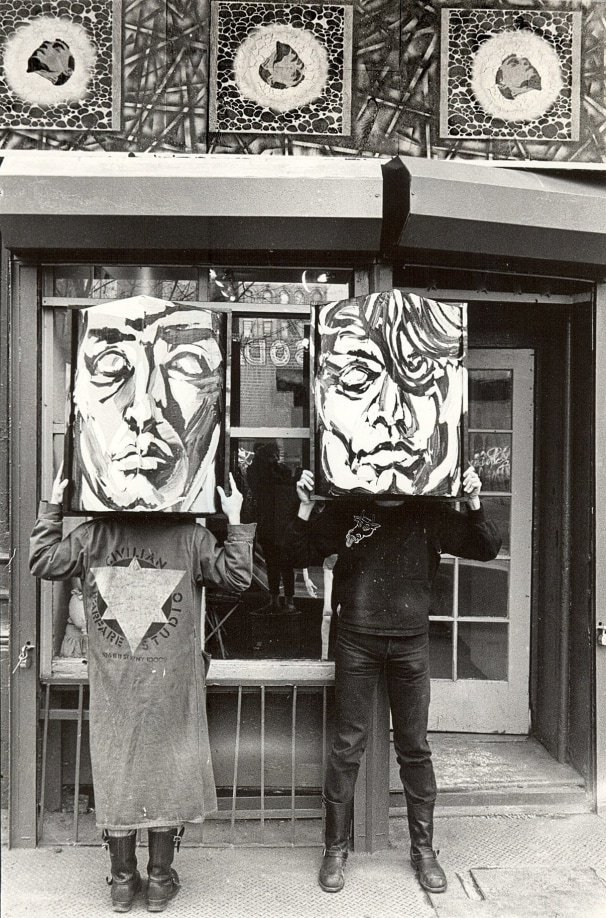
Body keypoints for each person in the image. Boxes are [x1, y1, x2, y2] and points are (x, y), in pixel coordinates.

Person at [30, 466, 255, 913]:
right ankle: (158, 880)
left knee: (119, 772)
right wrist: (235, 521)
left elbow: (41, 561)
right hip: (170, 684)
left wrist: (53, 506)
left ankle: (121, 881)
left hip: (114, 685)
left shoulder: (95, 534)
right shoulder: (189, 536)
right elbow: (238, 577)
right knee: (167, 771)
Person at [285, 465, 501, 895]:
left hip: (411, 643)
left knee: (415, 747)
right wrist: (307, 507)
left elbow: (487, 547)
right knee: (348, 745)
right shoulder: (349, 506)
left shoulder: (429, 509)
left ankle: (424, 851)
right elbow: (294, 553)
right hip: (356, 639)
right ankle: (334, 849)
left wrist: (474, 502)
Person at [71, 295, 224, 514]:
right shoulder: (197, 544)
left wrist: (50, 513)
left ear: (215, 403)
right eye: (111, 363)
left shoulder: (85, 541)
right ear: (77, 394)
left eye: (185, 364)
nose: (143, 412)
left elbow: (42, 550)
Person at [315, 290, 466, 498]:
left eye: (417, 372)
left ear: (452, 395)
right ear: (321, 398)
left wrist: (474, 503)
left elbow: (478, 531)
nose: (389, 411)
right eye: (356, 377)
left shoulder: (439, 515)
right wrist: (307, 507)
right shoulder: (337, 516)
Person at [246, 440, 299, 614]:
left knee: (282, 564)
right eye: (271, 454)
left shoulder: (279, 470)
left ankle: (283, 600)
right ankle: (279, 600)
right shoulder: (259, 471)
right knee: (277, 564)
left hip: (278, 523)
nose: (274, 458)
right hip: (275, 523)